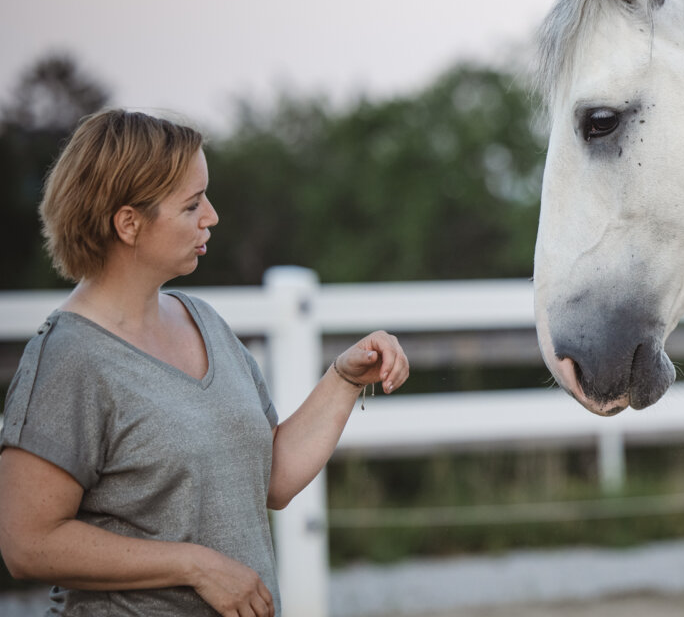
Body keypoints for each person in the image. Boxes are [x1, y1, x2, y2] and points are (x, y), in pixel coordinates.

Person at [0, 108, 409, 616]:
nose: (211, 216)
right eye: (192, 204)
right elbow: (27, 543)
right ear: (128, 223)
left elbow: (270, 478)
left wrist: (344, 380)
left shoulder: (205, 323)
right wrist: (194, 565)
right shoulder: (69, 358)